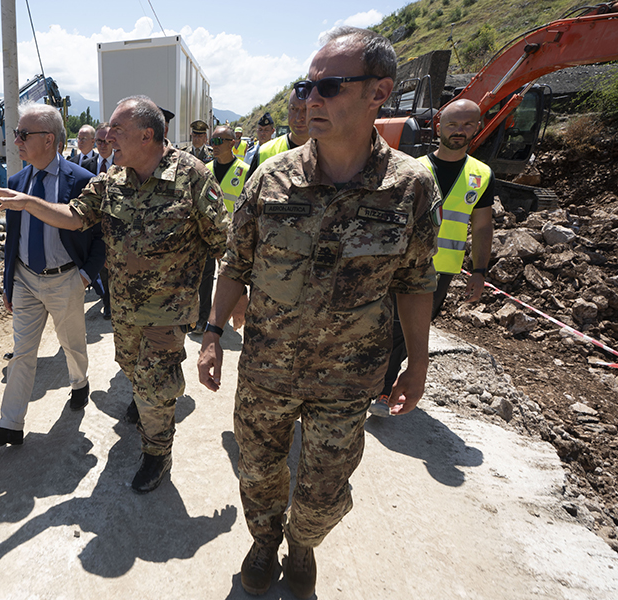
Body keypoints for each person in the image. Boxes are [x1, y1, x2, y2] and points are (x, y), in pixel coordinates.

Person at [197, 27, 441, 598]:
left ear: (379, 91)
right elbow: (236, 263)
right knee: (258, 474)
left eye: (329, 87)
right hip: (266, 370)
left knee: (324, 490)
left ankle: (303, 547)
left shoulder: (410, 187)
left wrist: (419, 363)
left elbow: (415, 281)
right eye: (306, 87)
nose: (311, 101)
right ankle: (263, 543)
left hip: (349, 378)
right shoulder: (271, 179)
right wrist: (211, 333)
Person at [0, 95, 229, 493]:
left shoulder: (193, 176)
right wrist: (29, 203)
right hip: (126, 309)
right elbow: (75, 216)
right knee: (132, 369)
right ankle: (146, 405)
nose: (106, 135)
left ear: (147, 136)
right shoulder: (111, 179)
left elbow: (225, 245)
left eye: (116, 129)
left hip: (168, 311)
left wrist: (220, 321)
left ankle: (156, 453)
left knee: (156, 387)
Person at [0, 103, 105, 447]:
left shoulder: (82, 182)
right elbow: (12, 238)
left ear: (48, 139)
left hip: (65, 279)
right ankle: (11, 425)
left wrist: (84, 275)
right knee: (22, 352)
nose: (15, 140)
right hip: (25, 280)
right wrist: (9, 282)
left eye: (23, 134)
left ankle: (79, 383)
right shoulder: (17, 181)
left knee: (72, 345)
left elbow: (101, 237)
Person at [369, 98, 494, 417]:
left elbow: (481, 226)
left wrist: (479, 269)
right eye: (453, 124)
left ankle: (386, 385)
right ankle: (381, 390)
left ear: (477, 128)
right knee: (393, 326)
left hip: (444, 269)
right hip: (404, 264)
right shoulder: (415, 168)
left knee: (414, 329)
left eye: (467, 124)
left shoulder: (481, 174)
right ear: (439, 126)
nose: (459, 131)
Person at [192, 125, 250, 335]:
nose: (213, 146)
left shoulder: (245, 170)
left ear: (232, 143)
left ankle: (238, 311)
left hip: (235, 235)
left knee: (232, 275)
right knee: (205, 276)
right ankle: (203, 319)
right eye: (212, 141)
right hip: (207, 231)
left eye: (218, 141)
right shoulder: (204, 169)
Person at [246, 91, 311, 178]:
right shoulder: (263, 152)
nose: (299, 117)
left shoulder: (330, 151)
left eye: (306, 109)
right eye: (293, 109)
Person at [91, 123, 113, 319]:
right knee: (101, 266)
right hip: (92, 224)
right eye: (99, 141)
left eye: (107, 141)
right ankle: (107, 302)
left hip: (115, 225)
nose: (103, 145)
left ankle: (113, 303)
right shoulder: (87, 165)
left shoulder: (124, 164)